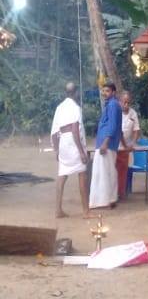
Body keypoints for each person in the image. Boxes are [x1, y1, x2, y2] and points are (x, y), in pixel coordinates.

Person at [51, 82, 89, 218]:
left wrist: (57, 150)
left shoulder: (59, 107)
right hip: (73, 143)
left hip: (62, 143)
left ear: (66, 92)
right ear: (76, 93)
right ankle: (86, 212)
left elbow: (54, 132)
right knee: (82, 175)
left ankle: (58, 210)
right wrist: (81, 152)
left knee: (62, 176)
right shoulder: (75, 107)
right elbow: (75, 130)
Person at [89, 82, 123, 209]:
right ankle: (110, 199)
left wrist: (105, 143)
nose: (104, 93)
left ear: (113, 92)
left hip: (106, 145)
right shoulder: (111, 105)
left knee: (103, 173)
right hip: (107, 144)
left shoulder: (113, 104)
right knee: (108, 172)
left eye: (107, 91)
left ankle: (103, 200)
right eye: (103, 91)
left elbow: (113, 126)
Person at [116, 91, 140, 200]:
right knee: (113, 171)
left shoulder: (133, 113)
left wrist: (132, 143)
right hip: (115, 146)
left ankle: (121, 193)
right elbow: (118, 132)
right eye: (124, 102)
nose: (126, 105)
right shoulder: (116, 112)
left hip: (126, 148)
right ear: (120, 102)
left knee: (123, 171)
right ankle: (112, 194)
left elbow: (136, 130)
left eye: (128, 103)